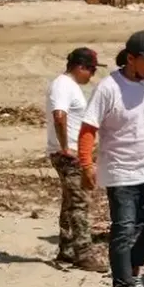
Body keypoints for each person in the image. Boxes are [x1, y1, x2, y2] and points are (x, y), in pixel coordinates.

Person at [78, 31, 144, 287]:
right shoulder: (108, 88)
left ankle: (132, 267)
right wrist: (86, 165)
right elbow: (88, 129)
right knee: (123, 230)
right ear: (130, 59)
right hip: (121, 172)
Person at [45, 47, 107, 271]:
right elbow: (59, 116)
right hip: (68, 155)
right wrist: (66, 148)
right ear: (80, 67)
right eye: (91, 70)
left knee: (70, 202)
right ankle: (84, 254)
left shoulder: (68, 86)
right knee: (79, 203)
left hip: (69, 152)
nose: (92, 75)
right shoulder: (63, 85)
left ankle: (67, 248)